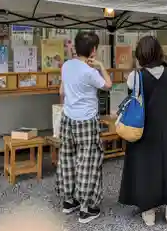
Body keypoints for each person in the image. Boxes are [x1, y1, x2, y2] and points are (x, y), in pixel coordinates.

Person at [119, 36, 167, 229]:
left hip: (142, 131)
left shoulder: (135, 77)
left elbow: (129, 88)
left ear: (140, 54)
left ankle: (149, 211)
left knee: (145, 169)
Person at [56, 31, 112, 224]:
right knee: (88, 162)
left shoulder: (66, 65)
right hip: (87, 120)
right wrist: (101, 66)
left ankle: (68, 201)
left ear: (75, 47)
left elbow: (61, 91)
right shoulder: (90, 72)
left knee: (67, 159)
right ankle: (87, 208)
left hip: (67, 118)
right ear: (93, 50)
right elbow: (108, 85)